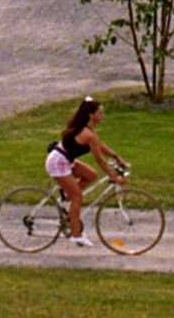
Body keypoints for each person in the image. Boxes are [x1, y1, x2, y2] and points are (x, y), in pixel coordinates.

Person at [45, 95, 125, 248]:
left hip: (64, 159)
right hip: (58, 162)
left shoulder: (88, 129)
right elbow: (100, 160)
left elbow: (99, 145)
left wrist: (116, 157)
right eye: (100, 113)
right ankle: (76, 235)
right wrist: (114, 177)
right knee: (77, 196)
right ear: (91, 115)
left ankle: (65, 200)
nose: (103, 116)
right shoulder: (87, 134)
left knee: (92, 175)